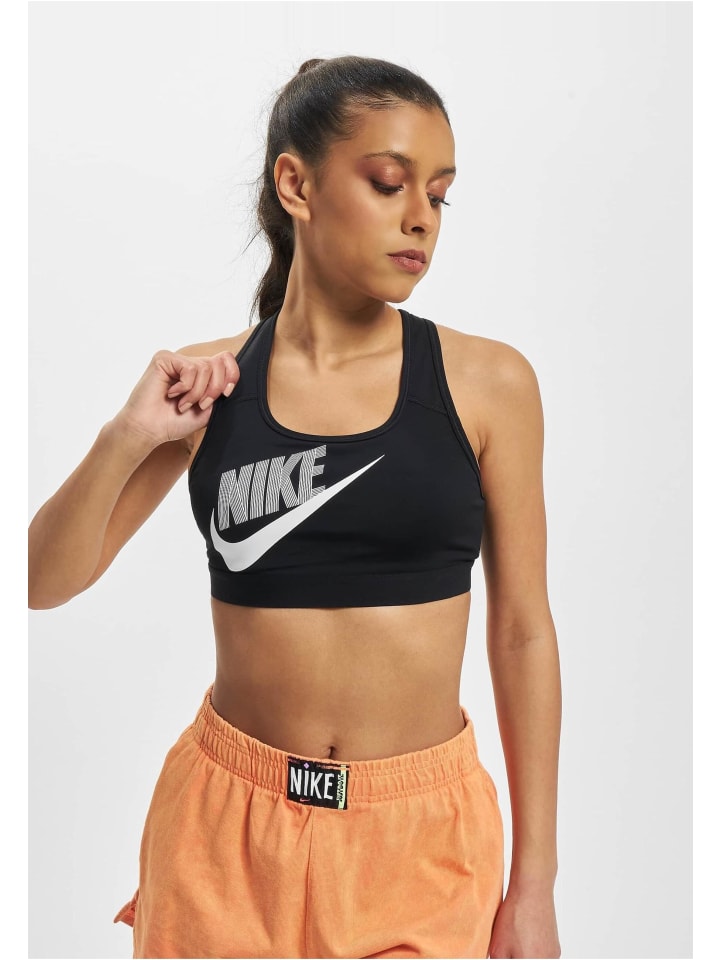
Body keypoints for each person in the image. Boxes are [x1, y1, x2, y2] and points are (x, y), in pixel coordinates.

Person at [28, 55, 561, 960]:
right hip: (223, 837)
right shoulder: (209, 386)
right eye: (389, 182)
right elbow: (41, 582)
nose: (421, 216)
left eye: (439, 193)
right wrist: (128, 435)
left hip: (420, 845)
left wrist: (535, 885)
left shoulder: (488, 384)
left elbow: (522, 633)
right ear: (296, 185)